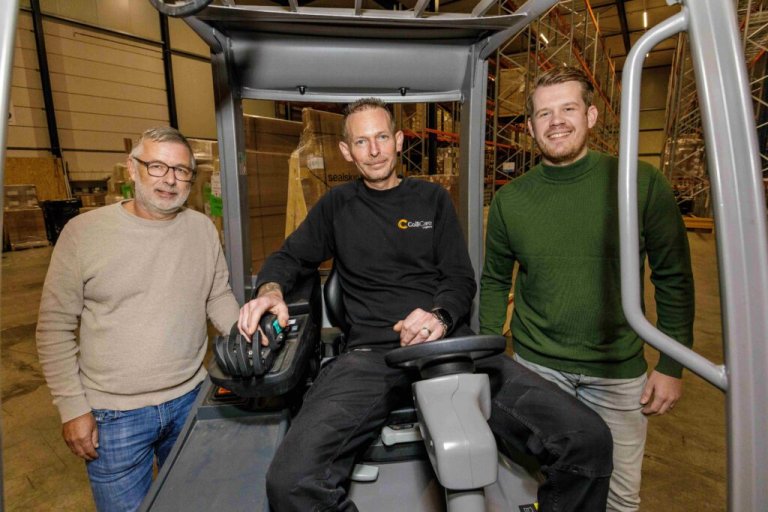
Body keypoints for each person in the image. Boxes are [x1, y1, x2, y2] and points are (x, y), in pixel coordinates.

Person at [238, 98, 613, 512]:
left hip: (447, 347)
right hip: (371, 356)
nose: (374, 150)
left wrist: (440, 317)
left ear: (399, 141)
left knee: (587, 441)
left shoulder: (432, 200)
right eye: (361, 142)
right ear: (347, 151)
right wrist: (270, 291)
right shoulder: (336, 205)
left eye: (382, 137)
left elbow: (459, 279)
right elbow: (289, 257)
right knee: (291, 482)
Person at [479, 65, 695, 512]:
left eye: (568, 109)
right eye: (544, 113)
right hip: (539, 369)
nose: (556, 121)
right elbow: (496, 280)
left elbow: (673, 276)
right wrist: (489, 359)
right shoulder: (510, 200)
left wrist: (672, 364)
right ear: (531, 126)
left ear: (591, 116)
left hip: (617, 374)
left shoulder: (640, 184)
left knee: (618, 497)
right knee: (539, 489)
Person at [36, 127, 240, 512]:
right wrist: (72, 408)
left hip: (190, 397)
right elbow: (53, 329)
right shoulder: (84, 233)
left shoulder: (201, 229)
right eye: (157, 166)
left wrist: (247, 336)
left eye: (181, 170)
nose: (169, 179)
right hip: (113, 416)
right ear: (132, 168)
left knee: (192, 502)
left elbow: (217, 296)